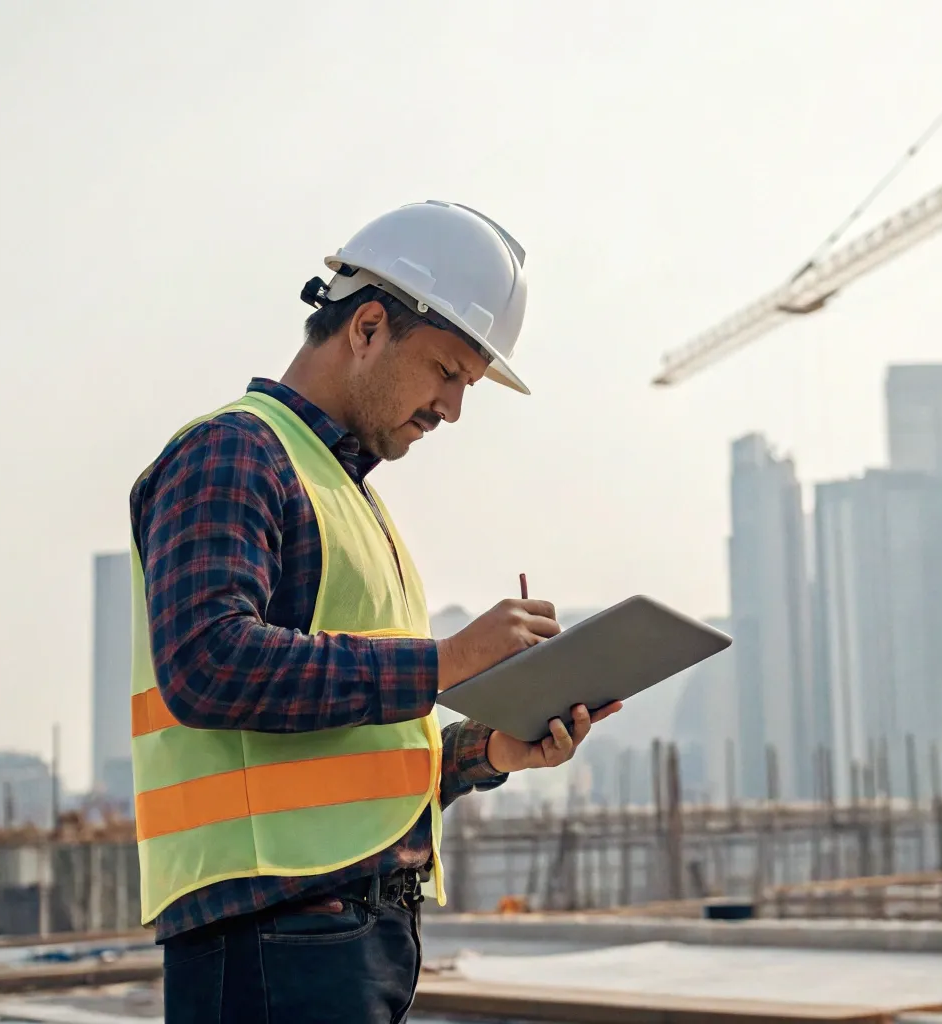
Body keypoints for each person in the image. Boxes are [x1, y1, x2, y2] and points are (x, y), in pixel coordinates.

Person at [132, 201, 619, 1023]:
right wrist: (448, 662)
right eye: (447, 373)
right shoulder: (235, 451)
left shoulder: (351, 503)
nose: (454, 409)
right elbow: (208, 662)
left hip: (347, 936)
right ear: (365, 328)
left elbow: (364, 749)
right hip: (271, 936)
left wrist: (493, 750)